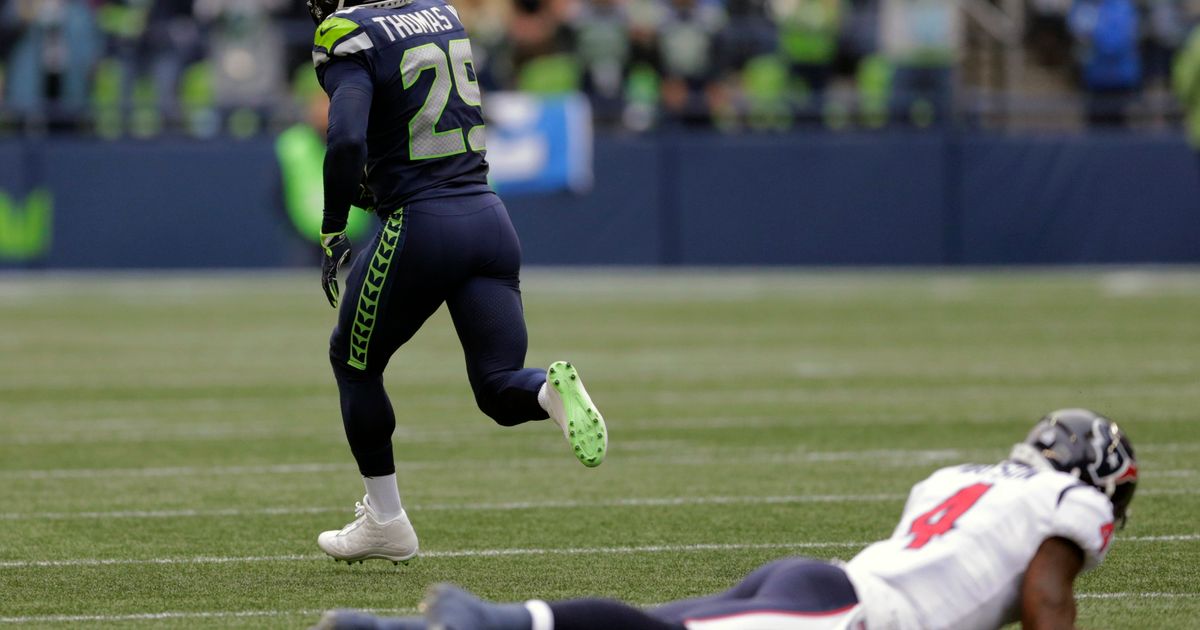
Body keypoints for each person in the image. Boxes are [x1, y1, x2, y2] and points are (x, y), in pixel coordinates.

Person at [313, 408, 1138, 629]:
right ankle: (490, 621)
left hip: (821, 586)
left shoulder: (959, 477)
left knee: (646, 627)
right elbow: (1043, 597)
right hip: (845, 614)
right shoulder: (1069, 502)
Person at [305, 0, 609, 565]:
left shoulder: (349, 33)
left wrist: (331, 227)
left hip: (423, 224)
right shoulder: (442, 13)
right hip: (489, 218)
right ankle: (548, 390)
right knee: (499, 387)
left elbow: (346, 139)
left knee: (353, 363)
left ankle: (387, 520)